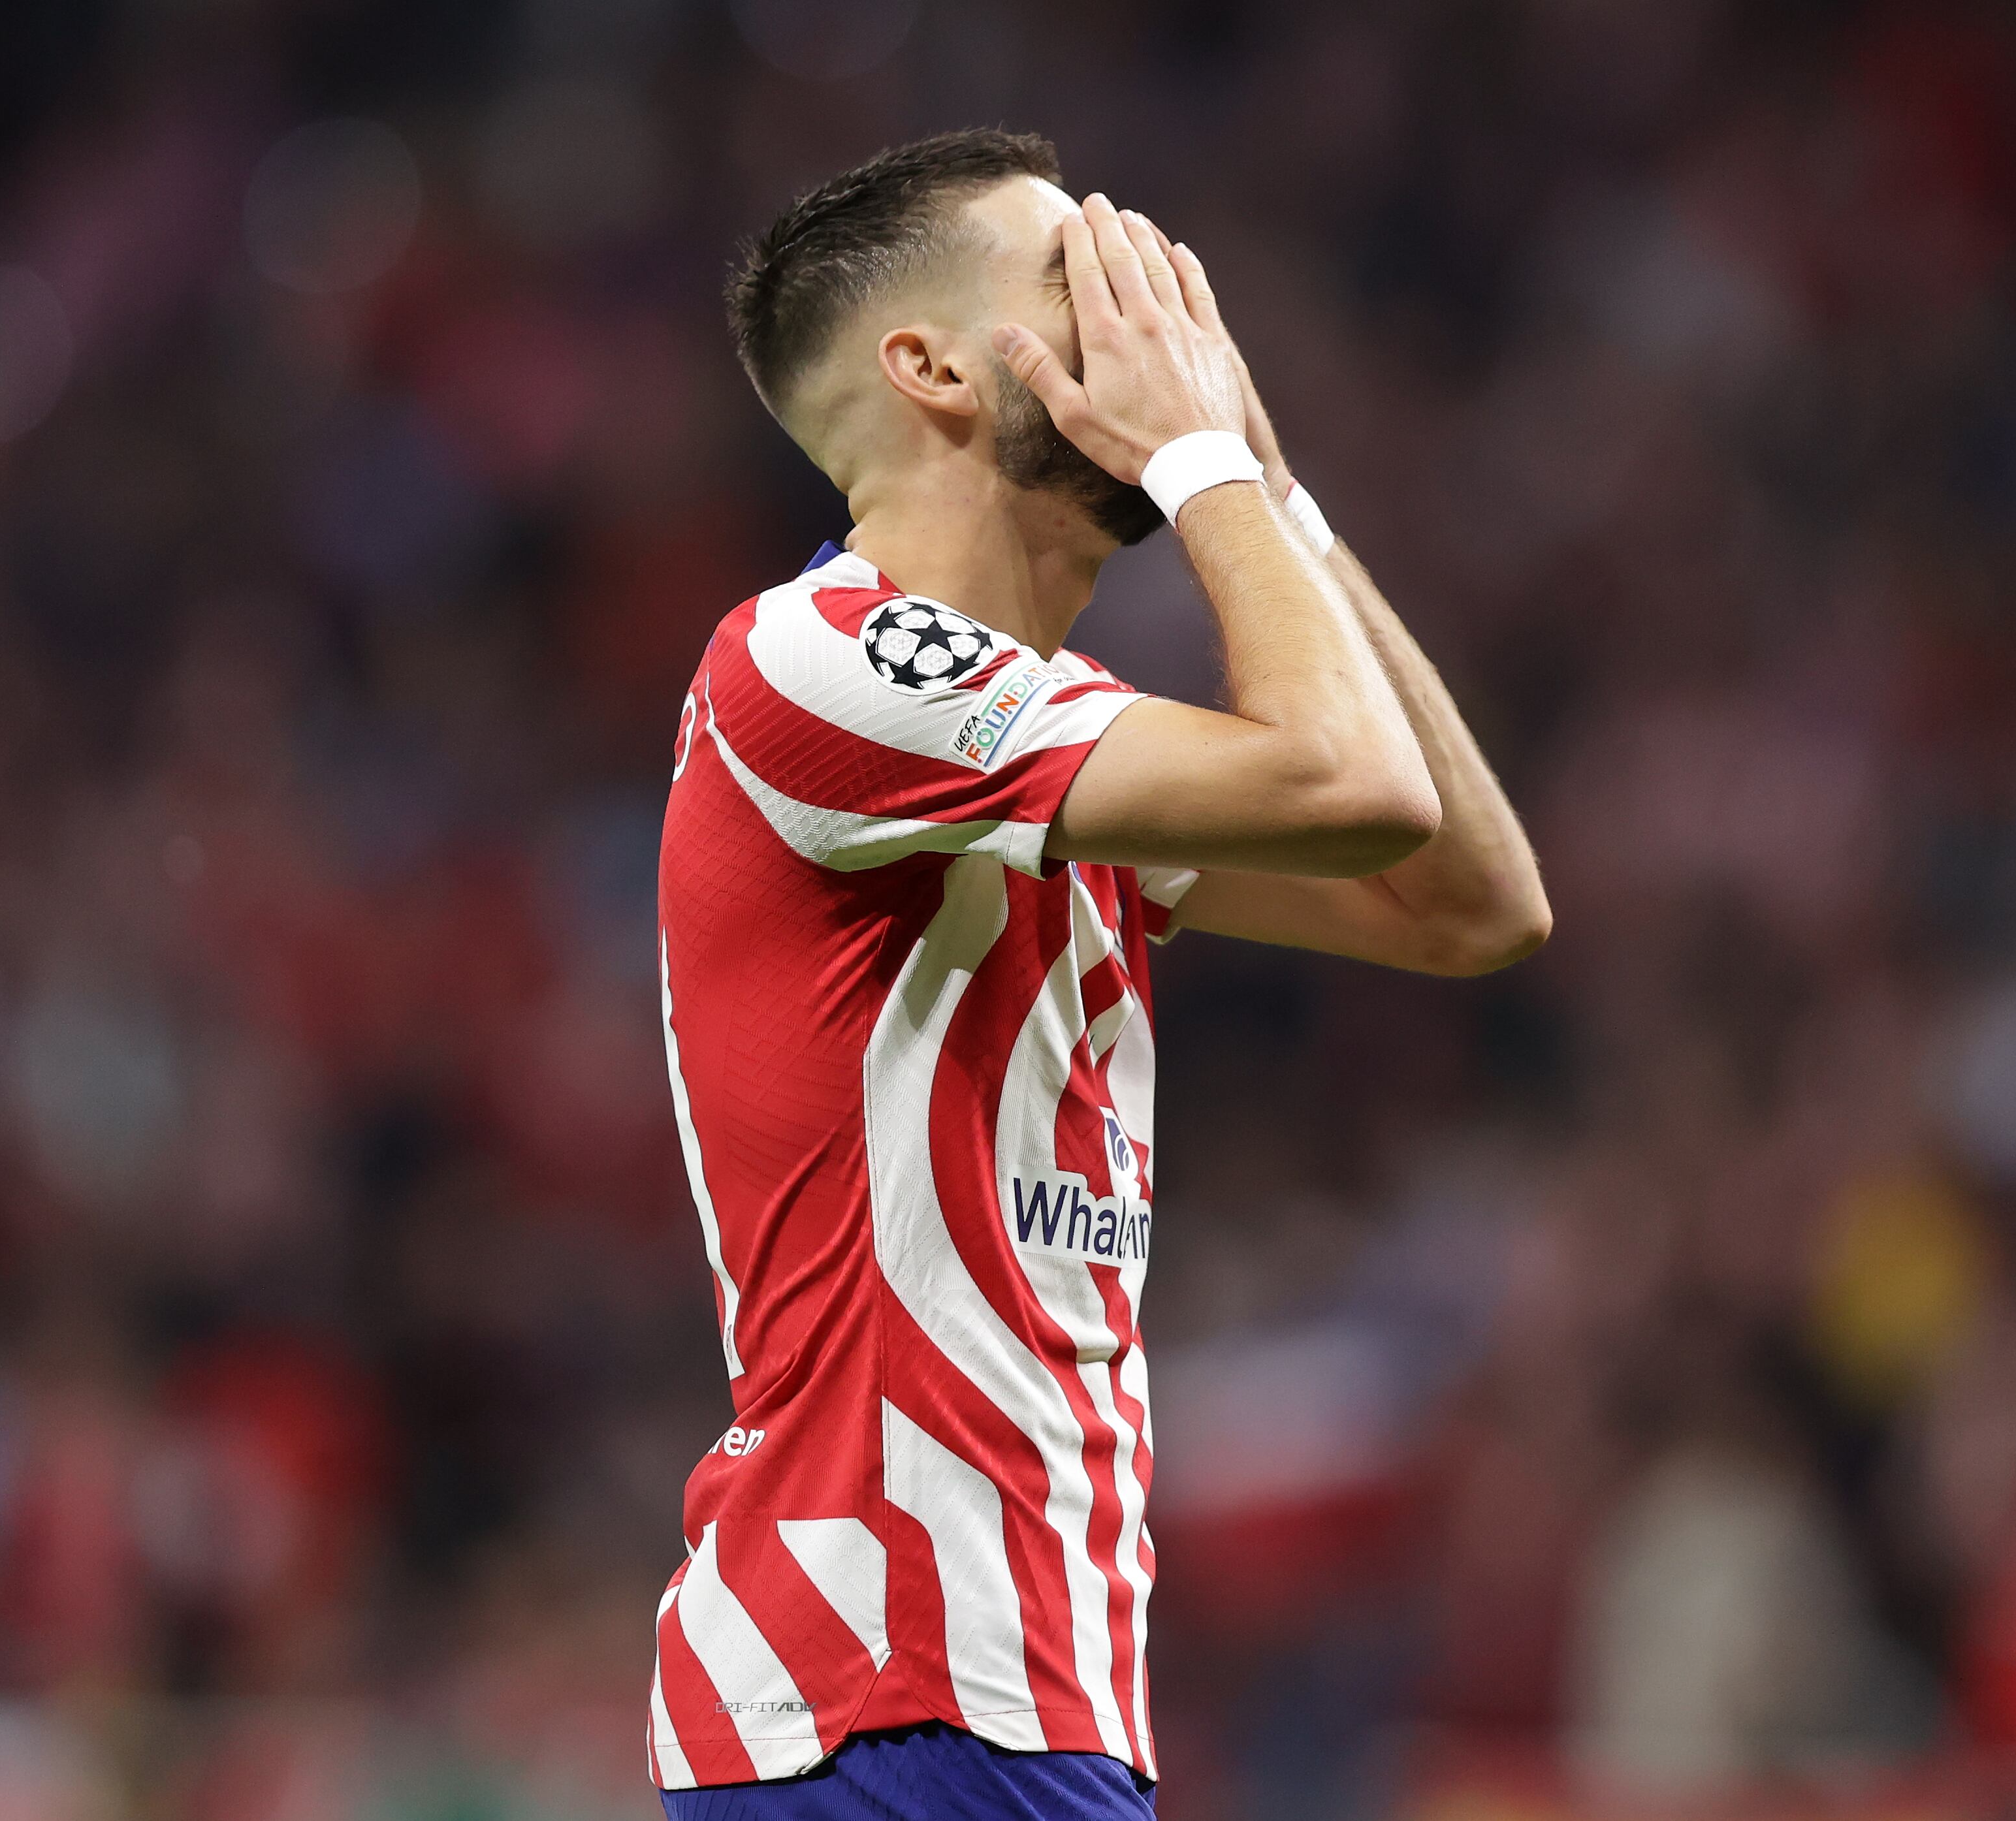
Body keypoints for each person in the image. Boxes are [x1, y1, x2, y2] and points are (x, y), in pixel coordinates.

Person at [647, 128, 1550, 1818]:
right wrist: (1206, 469)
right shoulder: (818, 660)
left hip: (999, 1695)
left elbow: (1468, 905)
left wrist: (1272, 487)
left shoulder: (1034, 748)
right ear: (929, 369)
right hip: (891, 1689)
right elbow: (1351, 785)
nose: (1161, 327)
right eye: (1085, 283)